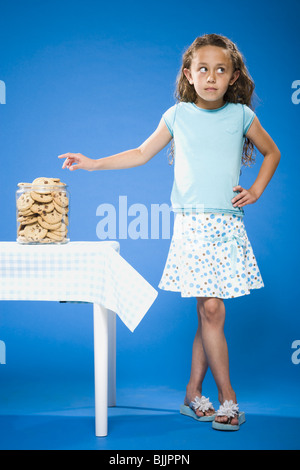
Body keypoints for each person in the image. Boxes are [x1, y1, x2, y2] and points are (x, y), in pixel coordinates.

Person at [58, 33, 281, 431]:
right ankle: (228, 399)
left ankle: (194, 394)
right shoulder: (176, 115)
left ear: (232, 77)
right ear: (189, 74)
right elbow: (141, 153)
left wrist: (257, 190)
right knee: (210, 310)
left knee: (207, 312)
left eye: (220, 70)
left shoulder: (242, 116)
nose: (211, 77)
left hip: (226, 225)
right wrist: (92, 164)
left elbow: (272, 152)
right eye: (203, 69)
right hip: (191, 225)